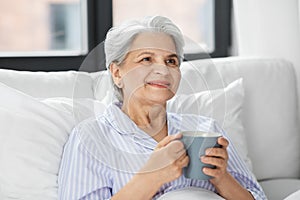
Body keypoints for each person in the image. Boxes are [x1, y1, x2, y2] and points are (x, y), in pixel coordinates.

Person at [58, 16, 266, 200]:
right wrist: (152, 177)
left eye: (171, 61)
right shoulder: (90, 138)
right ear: (117, 73)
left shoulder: (205, 128)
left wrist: (222, 178)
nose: (163, 70)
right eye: (146, 59)